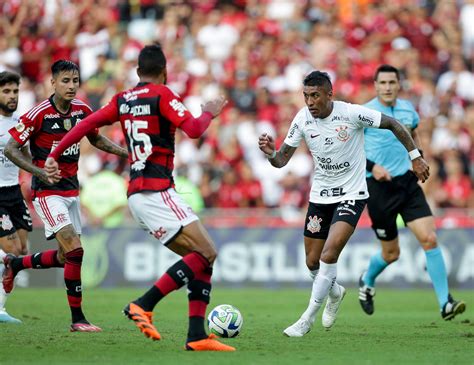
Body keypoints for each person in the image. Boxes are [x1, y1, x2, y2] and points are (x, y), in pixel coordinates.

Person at [44, 44, 235, 351]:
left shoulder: (123, 99)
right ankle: (143, 304)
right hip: (158, 190)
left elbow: (86, 124)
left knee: (199, 260)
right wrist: (209, 112)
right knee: (207, 252)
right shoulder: (163, 94)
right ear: (165, 71)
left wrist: (54, 153)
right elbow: (195, 130)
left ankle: (196, 336)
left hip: (137, 195)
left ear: (137, 72)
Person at [258, 70, 429, 337]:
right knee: (312, 262)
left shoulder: (351, 114)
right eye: (306, 96)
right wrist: (270, 154)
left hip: (352, 194)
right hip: (320, 196)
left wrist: (415, 156)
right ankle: (335, 293)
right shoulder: (302, 119)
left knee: (328, 255)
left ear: (329, 94)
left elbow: (395, 124)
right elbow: (282, 160)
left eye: (315, 96)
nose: (310, 102)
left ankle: (306, 319)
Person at [3, 60, 129, 332]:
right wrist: (39, 171)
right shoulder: (39, 114)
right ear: (53, 82)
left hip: (72, 190)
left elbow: (95, 139)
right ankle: (78, 320)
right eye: (65, 81)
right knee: (76, 249)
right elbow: (11, 149)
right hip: (47, 192)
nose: (71, 86)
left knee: (65, 256)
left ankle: (15, 264)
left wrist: (126, 153)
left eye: (75, 81)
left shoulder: (83, 109)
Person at [359, 64, 466, 320]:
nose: (387, 87)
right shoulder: (364, 113)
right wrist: (372, 167)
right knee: (391, 253)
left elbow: (415, 133)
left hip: (406, 183)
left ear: (399, 85)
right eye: (382, 83)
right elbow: (350, 150)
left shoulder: (408, 109)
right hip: (378, 188)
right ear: (375, 86)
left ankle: (445, 303)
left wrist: (417, 157)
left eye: (391, 83)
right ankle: (367, 279)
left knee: (429, 238)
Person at [0, 71, 32, 324]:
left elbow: (27, 155)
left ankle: (0, 308)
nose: (12, 96)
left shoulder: (21, 123)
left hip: (14, 190)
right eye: (6, 91)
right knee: (9, 250)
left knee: (21, 251)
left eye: (15, 91)